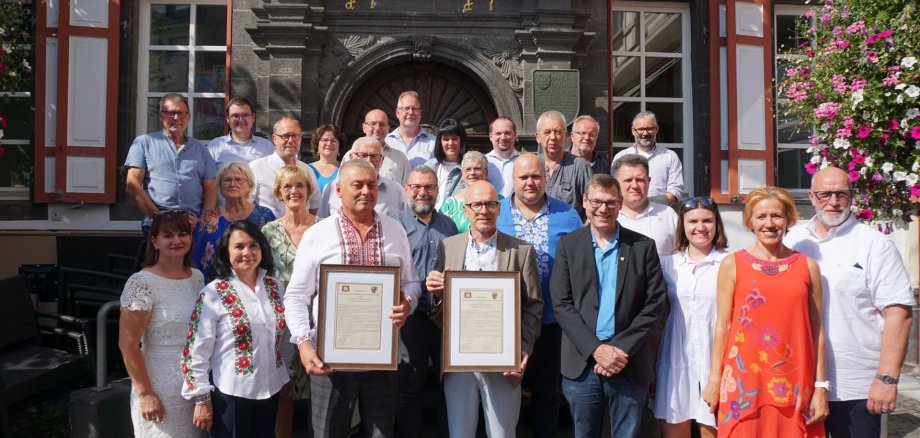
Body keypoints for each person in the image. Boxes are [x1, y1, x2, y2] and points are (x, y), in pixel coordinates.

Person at [284, 159, 419, 438]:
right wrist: (304, 344)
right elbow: (297, 295)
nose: (365, 192)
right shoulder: (318, 235)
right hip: (330, 359)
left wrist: (407, 303)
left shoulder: (395, 231)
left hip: (382, 359)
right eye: (357, 185)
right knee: (328, 433)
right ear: (338, 189)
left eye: (372, 185)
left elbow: (412, 282)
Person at [785, 167, 915, 438]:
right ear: (810, 196)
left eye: (841, 194)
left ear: (852, 196)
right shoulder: (793, 240)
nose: (833, 202)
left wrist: (887, 378)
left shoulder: (874, 244)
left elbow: (898, 314)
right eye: (825, 194)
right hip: (800, 381)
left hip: (856, 385)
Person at [701, 187, 828, 437]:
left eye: (777, 216)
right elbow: (723, 326)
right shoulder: (732, 264)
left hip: (795, 385)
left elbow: (817, 331)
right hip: (744, 384)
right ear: (750, 222)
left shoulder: (808, 267)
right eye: (761, 217)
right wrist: (715, 379)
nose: (769, 224)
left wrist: (821, 387)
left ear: (789, 219)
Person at [550, 173, 668, 438]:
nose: (603, 209)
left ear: (620, 202)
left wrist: (618, 349)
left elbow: (654, 304)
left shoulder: (642, 247)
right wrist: (596, 350)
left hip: (628, 361)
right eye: (596, 202)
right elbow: (562, 303)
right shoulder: (569, 245)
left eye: (611, 202)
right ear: (585, 201)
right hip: (583, 364)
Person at [425, 180, 543, 438]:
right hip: (459, 362)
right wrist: (435, 292)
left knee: (502, 434)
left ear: (499, 209)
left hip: (503, 362)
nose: (483, 210)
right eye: (476, 204)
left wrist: (523, 347)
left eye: (490, 204)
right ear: (465, 210)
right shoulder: (449, 246)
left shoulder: (521, 250)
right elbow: (440, 305)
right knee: (460, 433)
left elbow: (534, 305)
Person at [495, 153, 582, 437]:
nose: (530, 183)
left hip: (552, 322)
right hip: (504, 324)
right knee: (505, 394)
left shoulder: (567, 215)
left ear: (545, 178)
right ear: (513, 179)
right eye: (523, 177)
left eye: (536, 176)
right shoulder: (496, 213)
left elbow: (580, 265)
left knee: (547, 394)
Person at [180, 221, 292, 436]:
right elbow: (196, 349)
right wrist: (201, 397)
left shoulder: (275, 287)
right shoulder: (213, 293)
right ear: (226, 251)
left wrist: (284, 373)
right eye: (239, 246)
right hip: (230, 393)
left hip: (270, 390)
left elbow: (284, 338)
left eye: (253, 245)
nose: (247, 252)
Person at [119, 210, 206, 438]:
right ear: (154, 241)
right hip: (158, 387)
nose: (176, 241)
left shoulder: (197, 277)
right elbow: (127, 345)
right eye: (168, 235)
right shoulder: (141, 283)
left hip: (194, 387)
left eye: (183, 234)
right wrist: (145, 393)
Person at [392, 165, 460, 437]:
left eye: (429, 187)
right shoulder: (395, 225)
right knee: (410, 388)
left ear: (437, 190)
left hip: (445, 320)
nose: (423, 192)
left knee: (451, 387)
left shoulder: (449, 225)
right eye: (417, 187)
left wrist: (446, 307)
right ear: (407, 189)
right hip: (411, 320)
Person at [653, 197, 729, 438]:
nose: (700, 227)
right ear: (682, 226)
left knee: (714, 429)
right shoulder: (668, 264)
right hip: (676, 353)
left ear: (717, 223)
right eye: (693, 221)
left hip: (716, 355)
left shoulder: (730, 262)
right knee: (676, 428)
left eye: (707, 220)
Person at [261, 165, 318, 438]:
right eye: (287, 187)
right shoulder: (268, 232)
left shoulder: (323, 229)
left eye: (299, 186)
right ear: (279, 193)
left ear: (308, 191)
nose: (294, 191)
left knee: (316, 392)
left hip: (317, 319)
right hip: (280, 320)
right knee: (283, 389)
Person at [125, 93, 217, 229]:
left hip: (193, 224)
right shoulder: (144, 143)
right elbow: (132, 186)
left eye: (181, 113)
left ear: (189, 117)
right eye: (170, 113)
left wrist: (202, 221)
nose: (176, 118)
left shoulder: (201, 149)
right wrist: (160, 218)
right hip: (157, 223)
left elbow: (211, 189)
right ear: (161, 115)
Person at [192, 161, 276, 282]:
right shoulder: (208, 219)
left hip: (256, 286)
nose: (233, 184)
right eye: (227, 180)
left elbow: (271, 256)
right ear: (220, 186)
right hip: (215, 289)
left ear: (250, 186)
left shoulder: (264, 216)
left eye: (239, 179)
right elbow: (196, 257)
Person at [317, 136, 407, 218]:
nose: (368, 161)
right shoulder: (332, 188)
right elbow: (322, 222)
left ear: (381, 160)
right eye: (363, 155)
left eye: (374, 156)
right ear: (351, 157)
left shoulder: (396, 190)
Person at [249, 117, 321, 217]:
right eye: (285, 136)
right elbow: (247, 204)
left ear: (300, 138)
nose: (291, 140)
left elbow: (314, 204)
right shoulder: (256, 168)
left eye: (295, 136)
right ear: (274, 138)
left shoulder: (307, 170)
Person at [612, 111, 684, 205]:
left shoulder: (670, 157)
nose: (645, 133)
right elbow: (613, 188)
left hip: (660, 214)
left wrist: (647, 204)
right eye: (641, 129)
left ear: (656, 129)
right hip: (627, 214)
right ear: (633, 131)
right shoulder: (620, 157)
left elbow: (676, 192)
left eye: (649, 129)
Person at [613, 154, 678, 257]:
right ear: (616, 183)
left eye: (640, 180)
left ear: (649, 181)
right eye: (628, 180)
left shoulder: (668, 215)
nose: (634, 186)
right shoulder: (608, 217)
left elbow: (683, 256)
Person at [536, 110, 593, 220]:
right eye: (547, 132)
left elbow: (593, 208)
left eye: (558, 132)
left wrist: (582, 234)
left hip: (570, 234)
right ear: (538, 137)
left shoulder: (581, 167)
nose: (553, 137)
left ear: (565, 135)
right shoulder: (531, 165)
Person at [438, 150, 500, 232]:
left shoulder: (499, 200)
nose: (472, 173)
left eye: (477, 169)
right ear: (462, 174)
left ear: (486, 172)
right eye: (468, 169)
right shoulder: (450, 204)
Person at [207, 96, 275, 168]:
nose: (241, 120)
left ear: (253, 118)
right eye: (235, 116)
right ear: (228, 118)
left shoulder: (267, 147)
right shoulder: (214, 146)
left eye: (245, 115)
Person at [424, 118, 469, 209]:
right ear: (440, 142)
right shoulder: (430, 166)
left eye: (454, 139)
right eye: (446, 139)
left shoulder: (469, 167)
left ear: (461, 140)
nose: (450, 143)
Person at [385, 91, 436, 168]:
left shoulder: (434, 143)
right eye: (406, 108)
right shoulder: (386, 141)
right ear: (397, 113)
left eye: (414, 109)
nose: (411, 112)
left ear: (420, 113)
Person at [364, 108, 411, 184]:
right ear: (364, 127)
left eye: (382, 124)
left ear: (388, 128)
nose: (377, 128)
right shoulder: (351, 156)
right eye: (373, 124)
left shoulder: (400, 159)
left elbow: (407, 191)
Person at [485, 116, 521, 198]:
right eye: (498, 133)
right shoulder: (483, 162)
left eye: (507, 133)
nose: (503, 137)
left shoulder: (524, 161)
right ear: (491, 136)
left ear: (515, 135)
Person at [307, 124, 344, 194]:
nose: (329, 143)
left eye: (333, 141)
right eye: (325, 140)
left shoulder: (345, 169)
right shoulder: (307, 169)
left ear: (339, 146)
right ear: (317, 145)